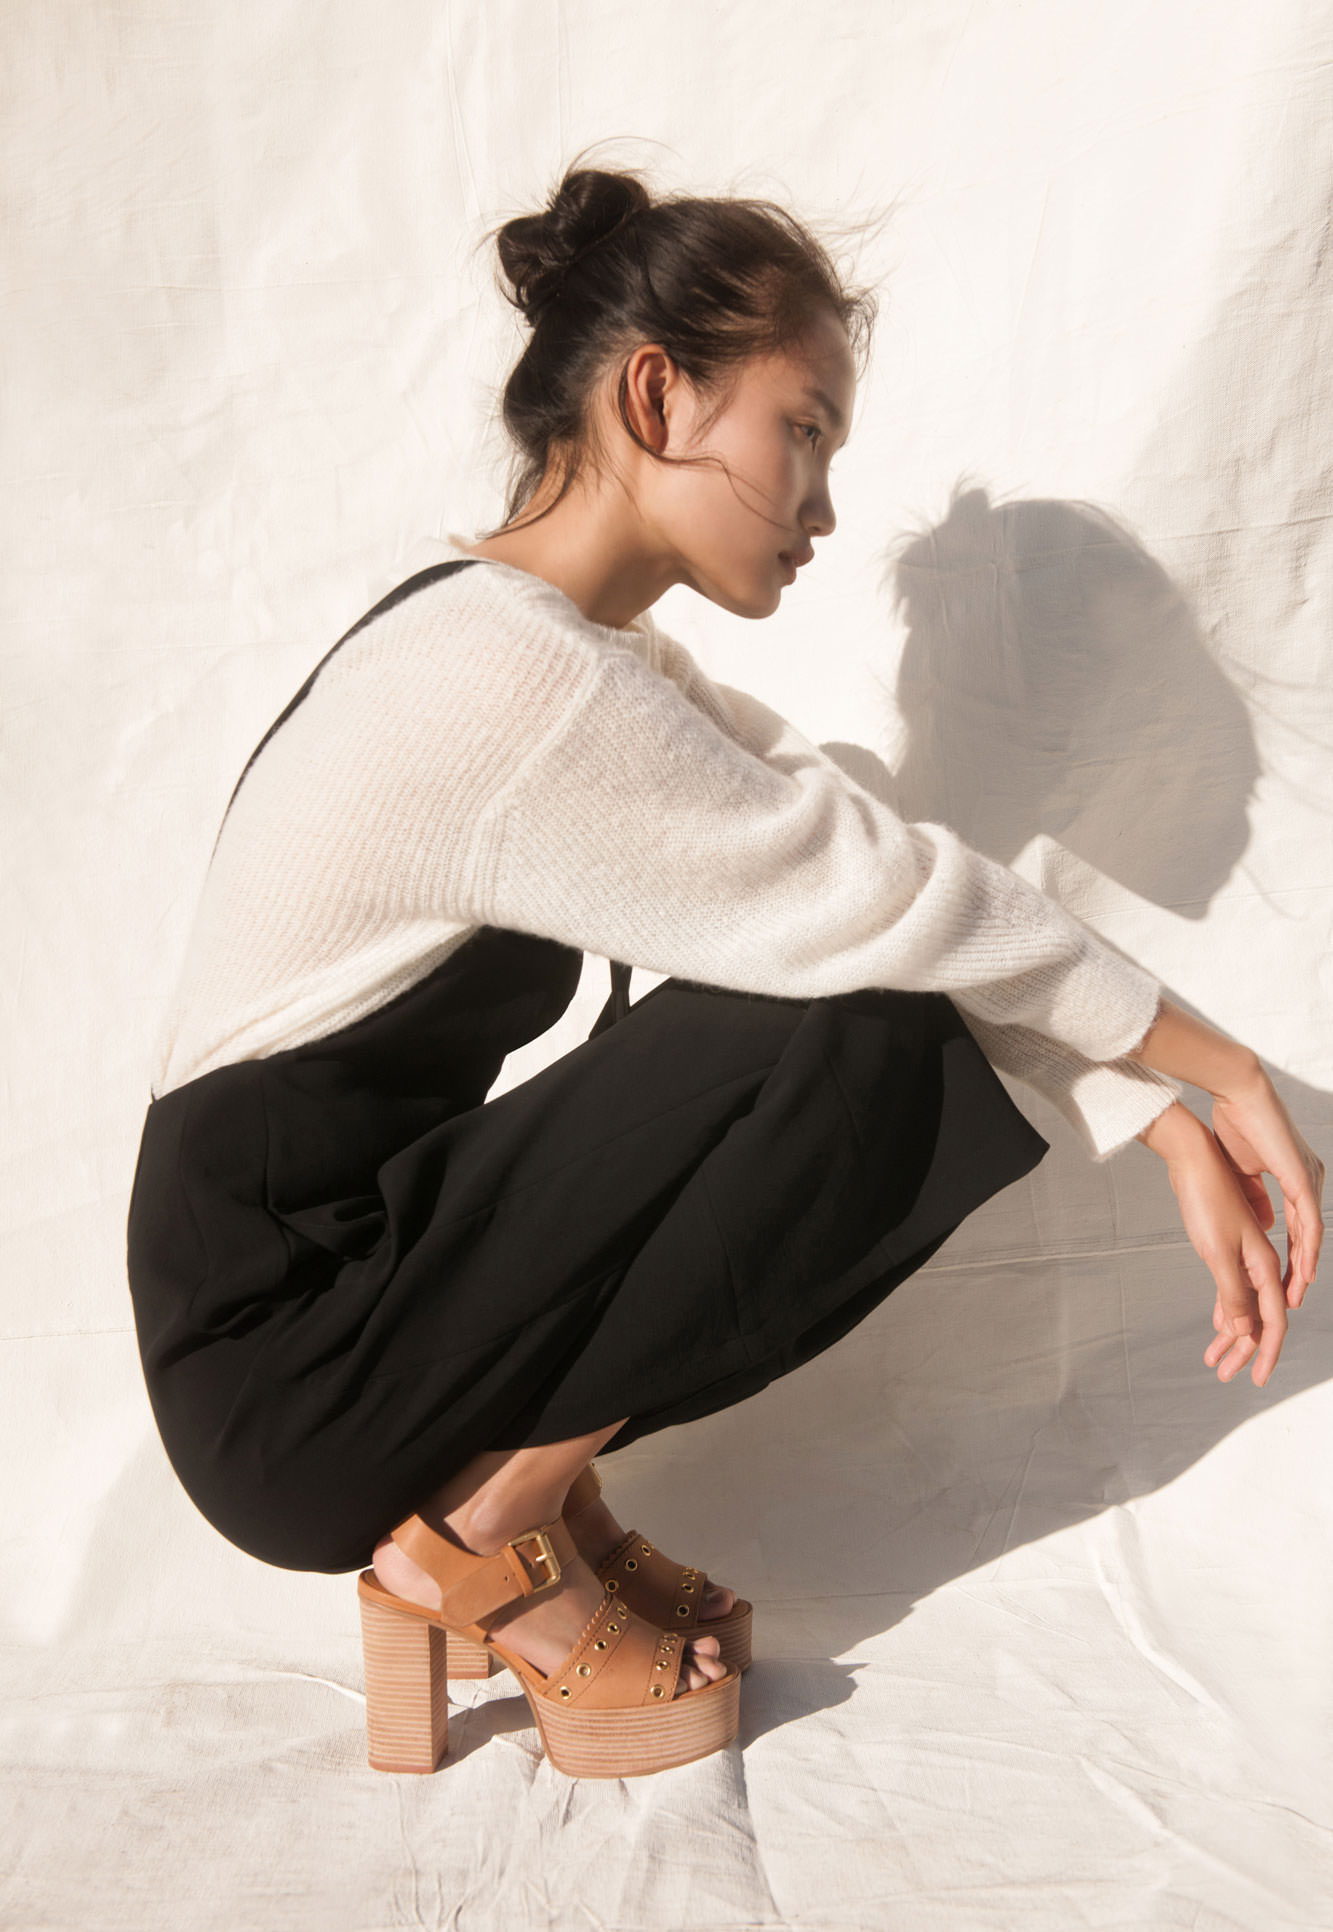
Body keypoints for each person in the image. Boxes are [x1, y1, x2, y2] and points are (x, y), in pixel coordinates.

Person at [125, 155, 1324, 1782]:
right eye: (801, 430)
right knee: (867, 1023)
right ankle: (479, 1534)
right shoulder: (511, 678)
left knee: (869, 981)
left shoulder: (562, 652)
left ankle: (515, 1502)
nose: (821, 505)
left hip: (324, 1304)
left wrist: (1153, 1107)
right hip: (284, 1358)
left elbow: (862, 863)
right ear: (655, 395)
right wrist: (1214, 1069)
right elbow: (886, 906)